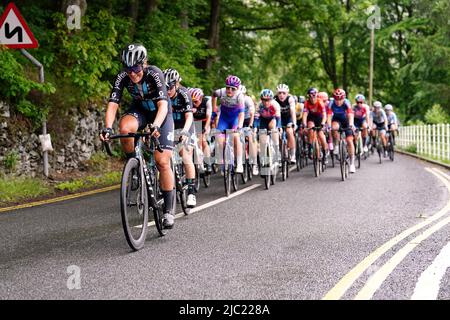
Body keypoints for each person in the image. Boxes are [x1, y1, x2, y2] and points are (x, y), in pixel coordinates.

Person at [100, 43, 176, 229]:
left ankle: (168, 209)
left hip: (161, 114)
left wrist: (156, 126)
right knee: (125, 127)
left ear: (144, 63)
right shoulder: (122, 77)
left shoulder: (154, 74)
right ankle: (134, 165)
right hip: (140, 111)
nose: (132, 73)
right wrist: (108, 128)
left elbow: (163, 106)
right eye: (128, 69)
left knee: (162, 161)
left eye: (136, 68)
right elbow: (113, 103)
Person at [164, 68, 197, 208]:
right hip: (170, 125)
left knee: (185, 154)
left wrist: (184, 132)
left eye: (170, 87)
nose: (167, 90)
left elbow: (189, 116)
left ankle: (191, 192)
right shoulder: (162, 95)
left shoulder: (184, 94)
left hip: (185, 125)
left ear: (177, 84)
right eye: (165, 87)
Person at [211, 75, 245, 173]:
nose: (229, 90)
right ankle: (222, 160)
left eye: (233, 89)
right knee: (219, 139)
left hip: (234, 119)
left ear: (237, 89)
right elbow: (213, 95)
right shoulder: (221, 92)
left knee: (235, 137)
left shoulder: (239, 96)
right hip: (224, 119)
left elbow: (241, 113)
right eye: (227, 88)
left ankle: (239, 164)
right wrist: (214, 107)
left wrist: (240, 126)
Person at [327, 88, 356, 173]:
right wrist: (328, 125)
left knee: (349, 141)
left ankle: (352, 163)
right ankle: (336, 145)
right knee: (333, 127)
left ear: (344, 98)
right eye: (337, 99)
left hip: (346, 121)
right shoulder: (331, 103)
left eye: (340, 99)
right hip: (337, 120)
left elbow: (350, 114)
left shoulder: (346, 103)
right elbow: (329, 116)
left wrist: (351, 124)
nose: (338, 101)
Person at [256, 89, 281, 167]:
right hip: (263, 120)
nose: (266, 102)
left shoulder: (275, 105)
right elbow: (256, 119)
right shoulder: (259, 105)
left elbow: (278, 119)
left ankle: (276, 153)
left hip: (273, 119)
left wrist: (278, 128)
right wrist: (255, 128)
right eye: (264, 100)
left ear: (271, 99)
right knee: (262, 139)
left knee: (273, 128)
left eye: (268, 100)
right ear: (261, 99)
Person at [189, 88, 213, 172]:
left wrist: (206, 128)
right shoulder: (190, 103)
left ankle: (208, 161)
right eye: (192, 102)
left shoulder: (207, 101)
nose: (194, 104)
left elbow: (209, 116)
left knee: (203, 140)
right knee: (197, 142)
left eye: (196, 102)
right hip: (196, 122)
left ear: (201, 98)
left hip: (205, 121)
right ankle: (199, 163)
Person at [302, 87, 328, 163]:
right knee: (310, 128)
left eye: (314, 96)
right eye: (311, 96)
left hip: (319, 118)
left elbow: (324, 115)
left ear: (317, 96)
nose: (313, 98)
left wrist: (323, 123)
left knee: (321, 135)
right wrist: (304, 124)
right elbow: (305, 114)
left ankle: (324, 152)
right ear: (308, 96)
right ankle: (310, 147)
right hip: (311, 118)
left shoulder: (320, 102)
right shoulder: (306, 103)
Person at [274, 84, 297, 163]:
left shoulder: (290, 99)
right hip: (279, 118)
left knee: (289, 132)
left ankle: (293, 154)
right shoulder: (274, 99)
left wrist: (294, 123)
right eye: (279, 93)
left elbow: (293, 112)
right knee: (277, 134)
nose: (281, 95)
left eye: (284, 93)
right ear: (277, 93)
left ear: (287, 93)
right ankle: (280, 153)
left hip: (288, 118)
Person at [240, 85, 258, 175]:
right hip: (239, 120)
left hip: (248, 120)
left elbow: (252, 113)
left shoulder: (247, 100)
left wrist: (250, 125)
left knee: (251, 139)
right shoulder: (233, 100)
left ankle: (254, 163)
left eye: (242, 94)